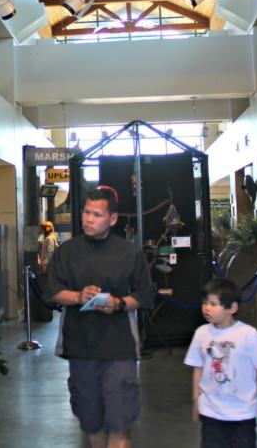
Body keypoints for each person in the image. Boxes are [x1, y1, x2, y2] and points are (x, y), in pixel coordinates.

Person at [46, 187, 155, 448]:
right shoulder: (66, 252)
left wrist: (118, 304)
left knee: (119, 422)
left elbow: (144, 296)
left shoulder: (130, 253)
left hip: (119, 349)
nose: (88, 219)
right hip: (81, 349)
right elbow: (53, 293)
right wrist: (78, 297)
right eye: (86, 212)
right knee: (90, 421)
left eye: (97, 214)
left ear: (112, 219)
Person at [185, 278, 257, 447]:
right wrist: (196, 400)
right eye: (205, 303)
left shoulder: (248, 334)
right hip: (210, 413)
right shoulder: (201, 334)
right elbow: (198, 369)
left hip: (242, 414)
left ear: (232, 308)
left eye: (213, 303)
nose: (207, 308)